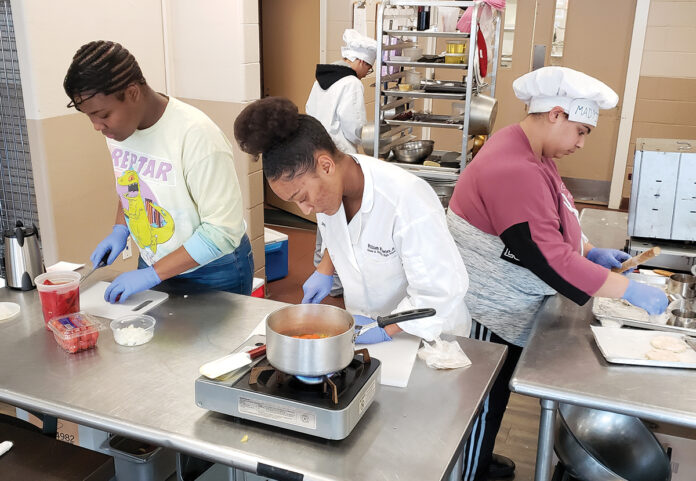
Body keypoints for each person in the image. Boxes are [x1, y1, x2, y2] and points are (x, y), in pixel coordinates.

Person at [446, 66, 669, 481]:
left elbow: (554, 214)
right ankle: (469, 469)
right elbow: (547, 258)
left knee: (494, 398)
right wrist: (626, 290)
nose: (582, 143)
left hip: (508, 304)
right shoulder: (513, 166)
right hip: (485, 310)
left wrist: (588, 250)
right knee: (478, 401)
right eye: (581, 130)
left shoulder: (531, 150)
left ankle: (481, 453)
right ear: (555, 114)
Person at [234, 96, 470, 344]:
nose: (305, 210)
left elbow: (440, 290)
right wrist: (324, 269)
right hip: (368, 325)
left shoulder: (406, 199)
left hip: (429, 339)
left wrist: (384, 329)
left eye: (302, 197)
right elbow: (343, 237)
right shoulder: (332, 192)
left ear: (325, 166)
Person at [63, 41, 253, 302]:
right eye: (90, 117)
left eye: (103, 114)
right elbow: (132, 185)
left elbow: (222, 231)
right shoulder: (119, 131)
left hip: (212, 271)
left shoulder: (196, 135)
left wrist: (153, 274)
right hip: (154, 262)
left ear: (132, 93)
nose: (97, 126)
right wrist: (121, 229)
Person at [306, 29, 378, 297]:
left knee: (323, 217)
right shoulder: (351, 84)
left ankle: (320, 270)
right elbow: (353, 127)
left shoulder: (321, 80)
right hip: (339, 158)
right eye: (368, 68)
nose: (367, 73)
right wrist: (369, 135)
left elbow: (310, 113)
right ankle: (336, 284)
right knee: (342, 218)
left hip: (316, 156)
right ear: (359, 61)